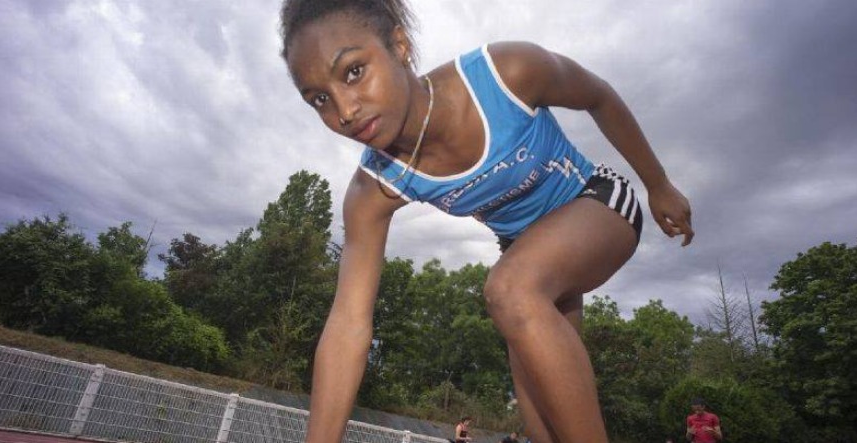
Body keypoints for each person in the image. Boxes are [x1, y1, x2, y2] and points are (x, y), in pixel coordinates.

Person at [278, 1, 694, 442]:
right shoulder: (374, 188)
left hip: (597, 204)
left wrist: (659, 184)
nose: (344, 111)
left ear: (399, 45)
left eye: (354, 72)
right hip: (530, 261)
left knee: (509, 289)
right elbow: (347, 324)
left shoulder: (505, 75)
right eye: (319, 99)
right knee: (543, 428)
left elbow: (598, 96)